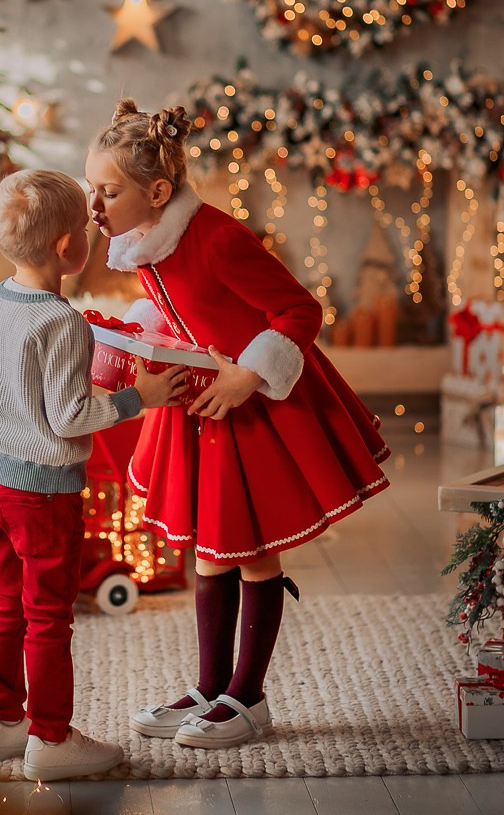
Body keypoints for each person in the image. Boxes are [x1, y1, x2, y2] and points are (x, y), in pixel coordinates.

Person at [86, 99, 391, 749]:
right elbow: (184, 312)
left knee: (250, 552)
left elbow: (299, 312)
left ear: (158, 192)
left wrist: (249, 375)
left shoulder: (220, 239)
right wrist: (142, 343)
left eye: (108, 191)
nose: (97, 205)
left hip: (251, 407)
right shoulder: (145, 244)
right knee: (210, 550)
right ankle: (209, 685)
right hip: (200, 405)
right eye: (93, 189)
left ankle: (248, 697)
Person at [0, 168, 187, 781]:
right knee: (49, 616)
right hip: (42, 490)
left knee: (7, 602)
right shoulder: (62, 323)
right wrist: (136, 397)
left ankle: (3, 723)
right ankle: (51, 740)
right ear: (67, 249)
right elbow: (68, 417)